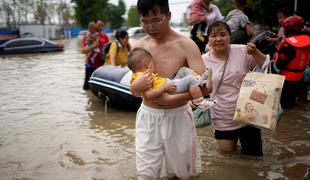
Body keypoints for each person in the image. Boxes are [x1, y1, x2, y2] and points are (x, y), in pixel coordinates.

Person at [131, 0, 213, 178]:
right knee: (145, 175)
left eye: (156, 20)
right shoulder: (138, 47)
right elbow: (135, 89)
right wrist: (135, 89)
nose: (150, 27)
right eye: (144, 22)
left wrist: (170, 100)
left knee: (181, 175)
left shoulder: (186, 45)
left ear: (168, 16)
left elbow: (205, 88)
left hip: (178, 117)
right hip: (148, 116)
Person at [202, 21, 267, 156]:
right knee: (228, 158)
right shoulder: (203, 60)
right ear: (208, 39)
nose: (218, 39)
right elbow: (198, 86)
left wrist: (255, 52)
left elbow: (266, 66)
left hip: (248, 114)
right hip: (221, 117)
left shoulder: (243, 51)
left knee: (254, 159)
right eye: (213, 35)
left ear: (230, 36)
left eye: (223, 34)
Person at [128, 47, 216, 111]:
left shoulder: (138, 76)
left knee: (183, 70)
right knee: (190, 79)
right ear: (147, 64)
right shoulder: (145, 77)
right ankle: (199, 102)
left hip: (170, 83)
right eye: (153, 63)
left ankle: (201, 81)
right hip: (170, 88)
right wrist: (165, 88)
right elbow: (150, 95)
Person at [271, 15, 310, 109]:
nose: (283, 30)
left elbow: (277, 67)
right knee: (291, 105)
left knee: (283, 108)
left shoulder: (288, 46)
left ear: (288, 30)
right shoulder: (307, 42)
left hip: (286, 81)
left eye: (284, 28)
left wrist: (270, 65)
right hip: (299, 79)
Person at [81, 19, 109, 90]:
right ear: (95, 25)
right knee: (87, 87)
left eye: (102, 25)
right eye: (99, 25)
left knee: (100, 88)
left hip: (101, 66)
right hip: (90, 66)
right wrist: (94, 46)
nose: (100, 27)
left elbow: (108, 50)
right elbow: (83, 51)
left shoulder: (105, 36)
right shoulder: (88, 35)